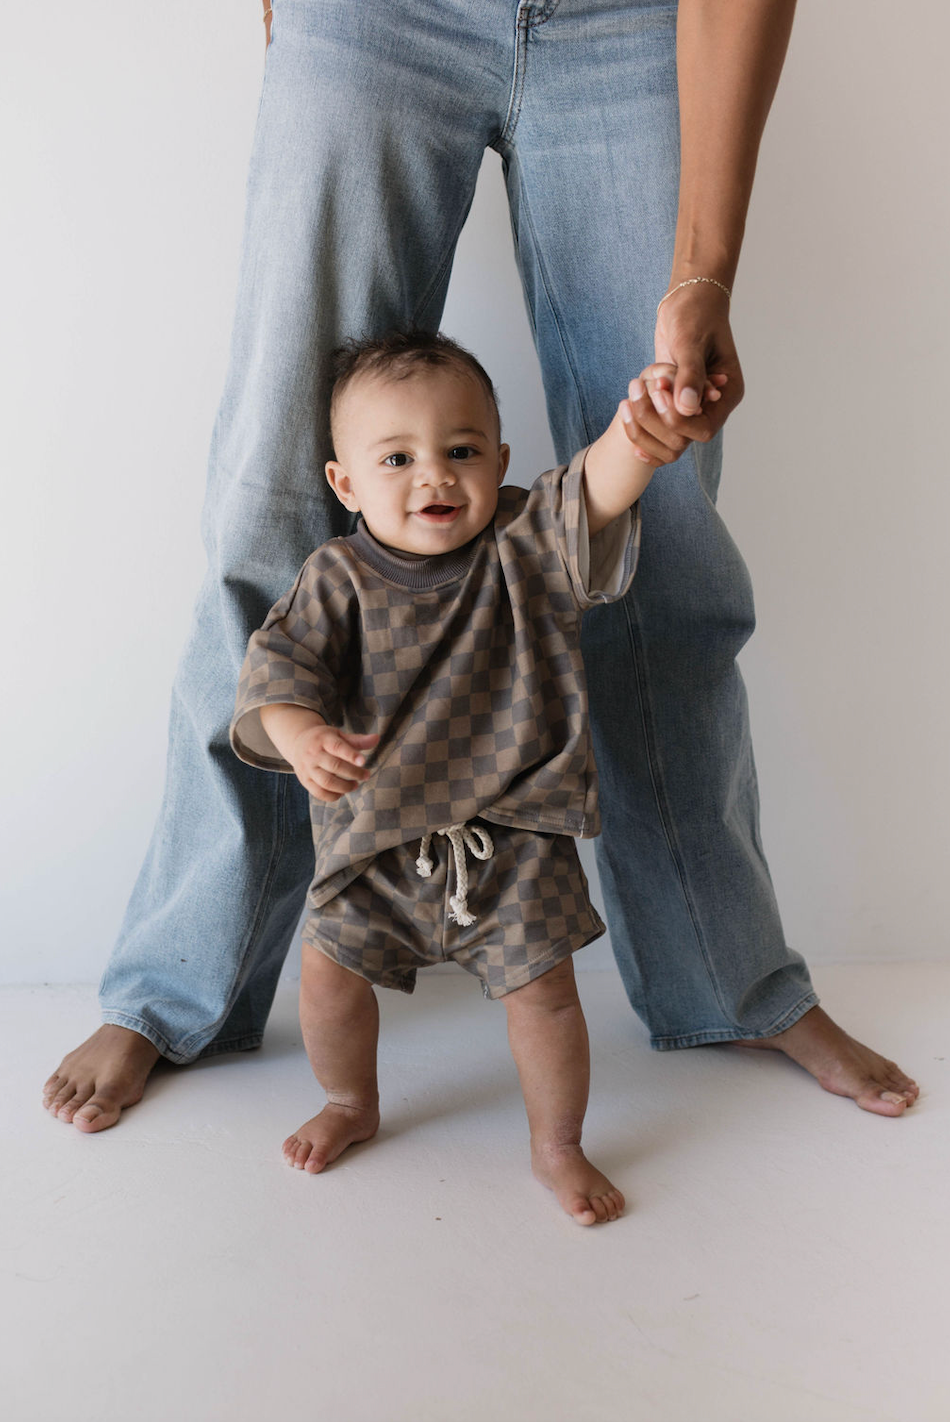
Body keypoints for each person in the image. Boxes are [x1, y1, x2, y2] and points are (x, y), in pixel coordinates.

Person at [44, 0, 918, 1132]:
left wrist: (700, 278)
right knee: (273, 515)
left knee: (667, 520)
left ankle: (724, 974)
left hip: (633, 26)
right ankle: (175, 991)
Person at [231, 329, 713, 1223]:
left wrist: (639, 436)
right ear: (345, 483)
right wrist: (299, 737)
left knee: (546, 996)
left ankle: (557, 1146)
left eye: (461, 452)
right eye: (398, 457)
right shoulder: (335, 578)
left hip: (516, 834)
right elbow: (275, 672)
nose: (435, 478)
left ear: (498, 457)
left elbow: (595, 492)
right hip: (373, 839)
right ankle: (350, 1102)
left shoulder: (524, 543)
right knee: (328, 982)